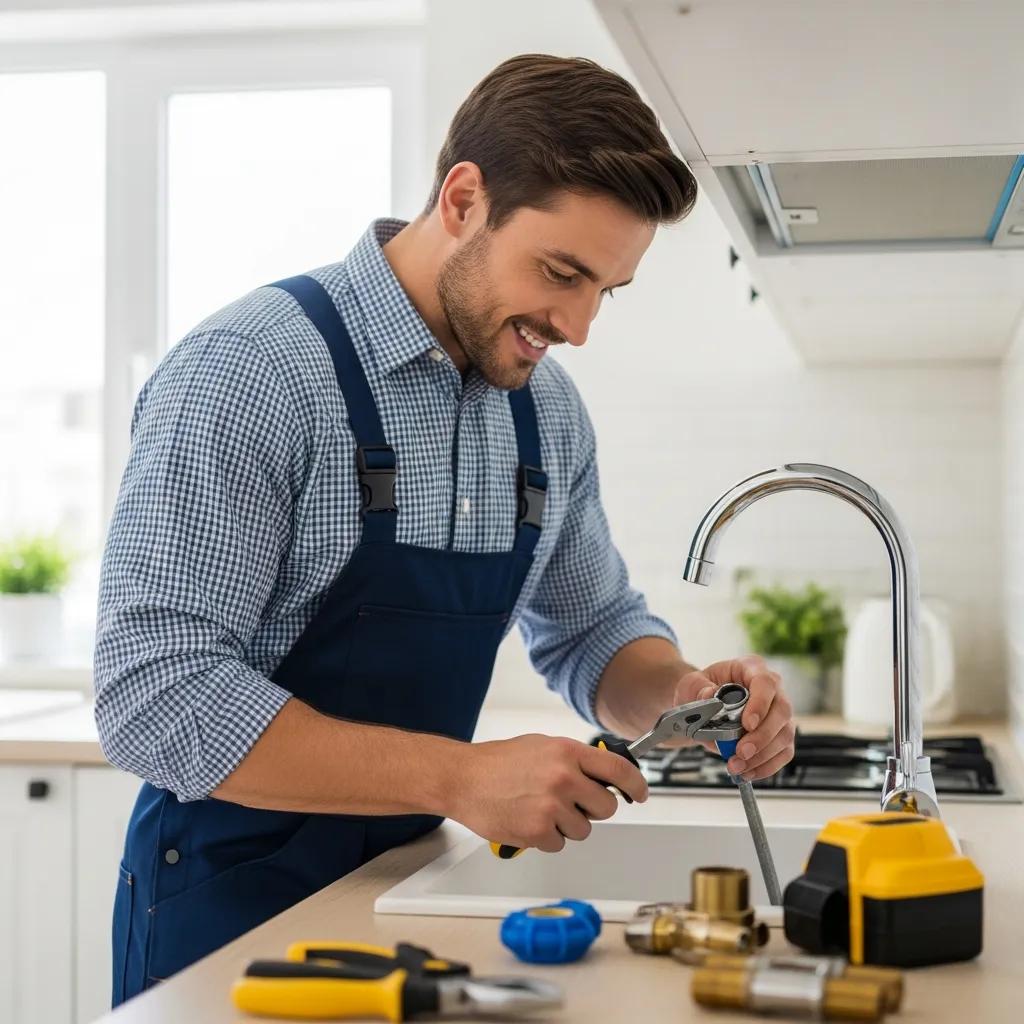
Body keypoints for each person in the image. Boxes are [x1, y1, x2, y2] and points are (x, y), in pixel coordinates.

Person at [95, 53, 795, 1004]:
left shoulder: (546, 414)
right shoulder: (250, 374)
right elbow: (153, 693)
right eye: (562, 272)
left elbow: (591, 632)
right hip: (227, 916)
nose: (579, 325)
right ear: (464, 199)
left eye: (606, 291)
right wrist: (459, 777)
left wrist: (683, 696)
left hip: (406, 901)